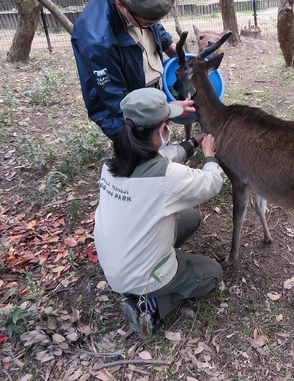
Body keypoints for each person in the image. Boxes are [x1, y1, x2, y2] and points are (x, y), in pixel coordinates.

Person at [94, 87, 225, 337]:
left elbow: (165, 155)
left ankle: (148, 278)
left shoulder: (116, 160)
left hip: (115, 263)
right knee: (211, 274)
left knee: (191, 217)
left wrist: (194, 142)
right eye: (167, 124)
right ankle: (150, 307)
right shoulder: (165, 178)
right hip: (141, 276)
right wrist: (209, 155)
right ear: (163, 129)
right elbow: (211, 183)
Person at [71, 0, 195, 140]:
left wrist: (170, 47)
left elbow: (154, 25)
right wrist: (168, 110)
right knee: (143, 149)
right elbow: (119, 102)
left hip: (144, 90)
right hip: (122, 110)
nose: (153, 25)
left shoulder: (137, 10)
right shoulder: (98, 41)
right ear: (120, 5)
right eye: (148, 23)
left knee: (157, 141)